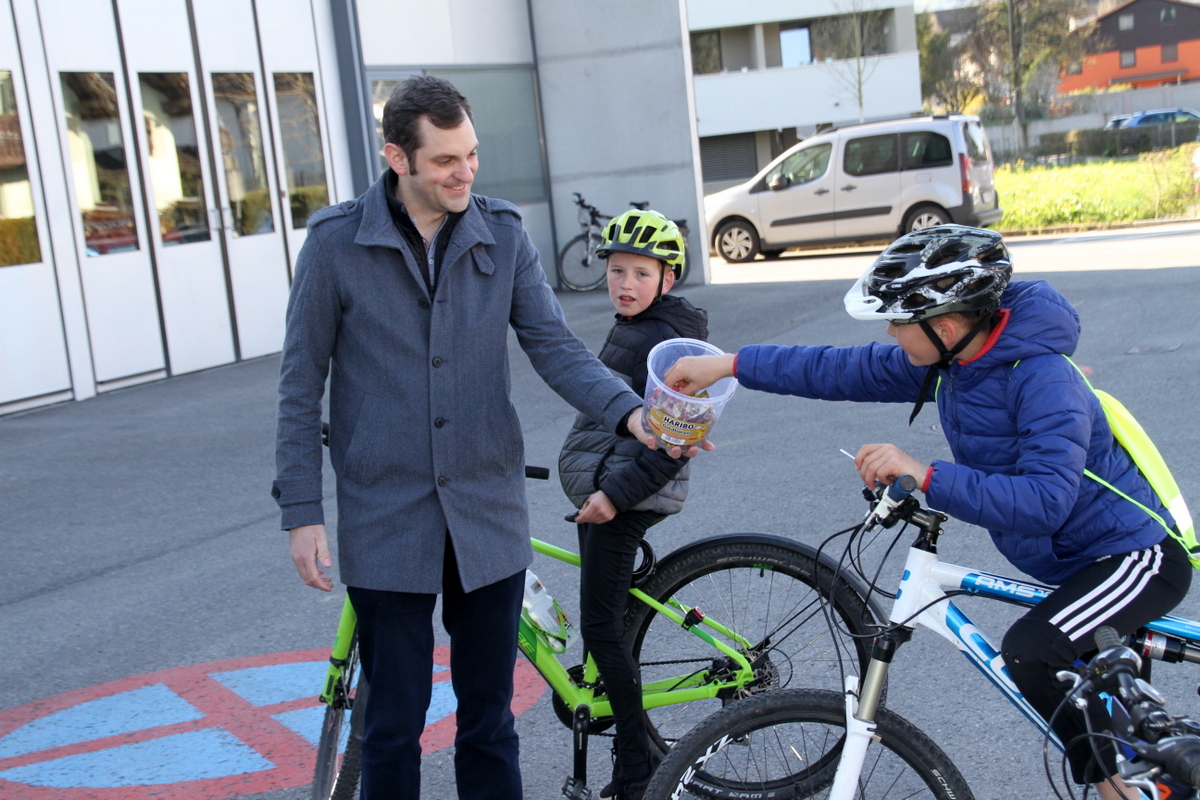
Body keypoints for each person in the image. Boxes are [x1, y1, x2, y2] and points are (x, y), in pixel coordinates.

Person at [272, 75, 696, 800]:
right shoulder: (336, 244)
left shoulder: (501, 232)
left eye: (470, 154)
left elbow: (556, 348)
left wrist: (635, 415)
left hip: (486, 512)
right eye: (445, 160)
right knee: (392, 726)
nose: (465, 172)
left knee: (490, 721)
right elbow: (298, 384)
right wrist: (302, 512)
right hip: (384, 516)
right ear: (398, 159)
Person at [663, 224, 1191, 800]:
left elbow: (1045, 501)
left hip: (1131, 556)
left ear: (945, 327)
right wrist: (729, 365)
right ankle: (1145, 778)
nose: (890, 333)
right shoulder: (951, 363)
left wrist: (928, 475)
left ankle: (1117, 791)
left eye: (898, 321)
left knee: (1034, 651)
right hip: (1074, 562)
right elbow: (835, 368)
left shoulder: (1043, 378)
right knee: (1107, 711)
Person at [558, 209, 708, 800]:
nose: (625, 283)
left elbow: (675, 446)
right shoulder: (634, 324)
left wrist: (612, 498)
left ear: (667, 279)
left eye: (641, 273)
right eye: (617, 270)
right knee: (610, 623)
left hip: (628, 494)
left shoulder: (670, 345)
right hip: (608, 487)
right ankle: (632, 749)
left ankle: (636, 771)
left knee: (600, 626)